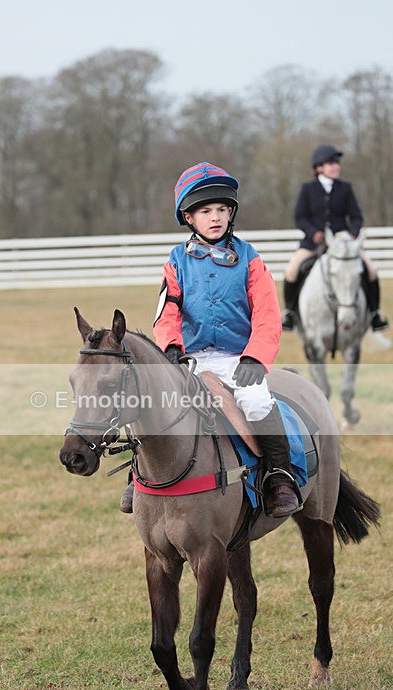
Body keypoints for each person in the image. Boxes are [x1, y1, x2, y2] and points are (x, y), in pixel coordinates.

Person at [120, 161, 301, 518]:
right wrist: (171, 348)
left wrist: (255, 358)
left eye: (222, 209)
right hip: (191, 358)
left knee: (255, 400)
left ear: (231, 213)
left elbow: (267, 314)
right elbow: (167, 311)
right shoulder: (175, 261)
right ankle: (135, 474)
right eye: (205, 211)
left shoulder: (251, 259)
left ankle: (280, 476)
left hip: (239, 358)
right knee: (150, 401)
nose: (215, 217)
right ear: (189, 217)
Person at [281, 144, 389, 332]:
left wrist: (353, 234)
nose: (336, 166)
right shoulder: (307, 189)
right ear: (318, 167)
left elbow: (356, 217)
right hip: (313, 243)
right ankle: (289, 312)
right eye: (331, 163)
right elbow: (300, 217)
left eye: (337, 163)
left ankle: (375, 314)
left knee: (371, 270)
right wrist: (313, 232)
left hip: (342, 243)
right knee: (291, 271)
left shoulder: (345, 188)